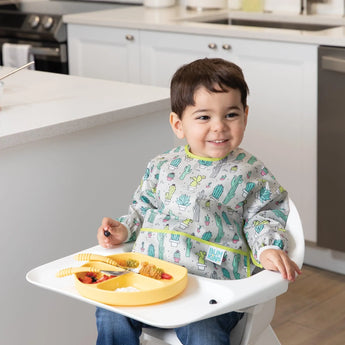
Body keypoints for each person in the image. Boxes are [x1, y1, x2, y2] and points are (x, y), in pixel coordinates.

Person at [95, 58, 301, 345]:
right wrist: (124, 229)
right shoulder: (162, 166)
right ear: (178, 125)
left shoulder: (251, 172)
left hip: (212, 289)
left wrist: (267, 247)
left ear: (245, 115)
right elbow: (142, 208)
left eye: (231, 115)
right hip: (153, 277)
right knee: (109, 311)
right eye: (204, 117)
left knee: (200, 333)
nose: (219, 127)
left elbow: (264, 213)